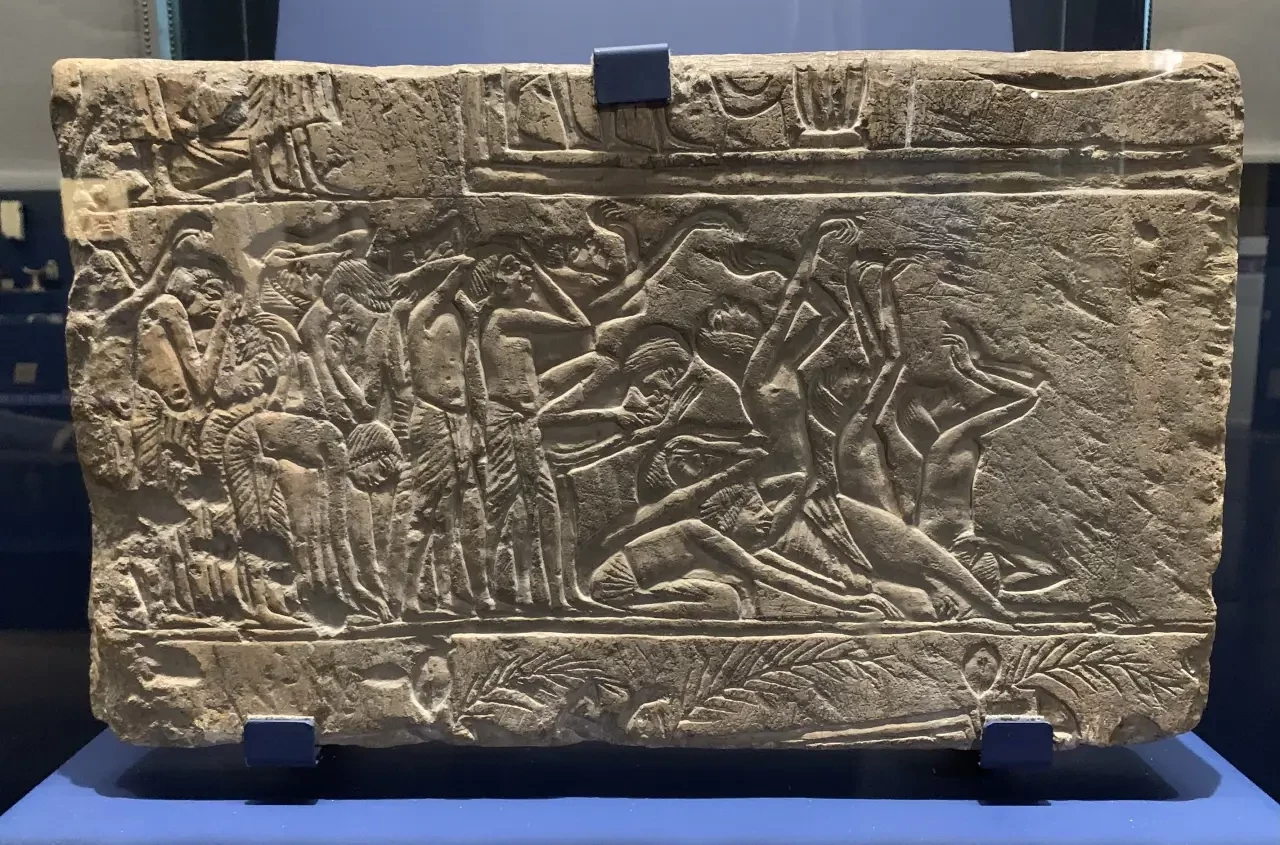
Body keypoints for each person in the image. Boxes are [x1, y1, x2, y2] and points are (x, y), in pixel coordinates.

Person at [472, 246, 592, 609]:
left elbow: (580, 325)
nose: (524, 276)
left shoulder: (503, 319)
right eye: (515, 269)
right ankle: (482, 590)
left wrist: (535, 270)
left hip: (525, 421)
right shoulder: (503, 318)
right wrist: (540, 271)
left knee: (540, 503)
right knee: (500, 503)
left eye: (526, 272)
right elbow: (577, 322)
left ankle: (545, 591)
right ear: (497, 280)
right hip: (504, 419)